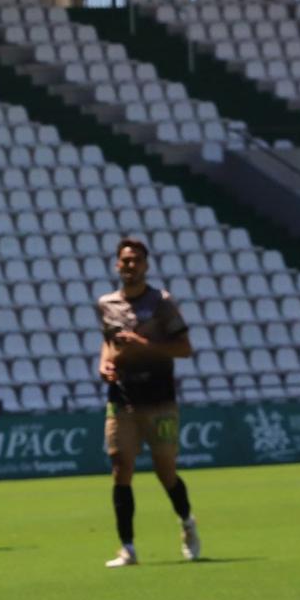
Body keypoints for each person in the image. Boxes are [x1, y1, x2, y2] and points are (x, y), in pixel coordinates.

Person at [97, 236, 200, 567]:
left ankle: (187, 522)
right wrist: (105, 363)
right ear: (117, 264)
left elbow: (184, 348)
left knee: (165, 470)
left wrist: (145, 345)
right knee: (120, 468)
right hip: (122, 398)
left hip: (158, 399)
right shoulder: (106, 303)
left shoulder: (161, 303)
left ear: (146, 265)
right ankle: (127, 547)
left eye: (136, 260)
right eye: (125, 260)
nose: (130, 265)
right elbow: (109, 343)